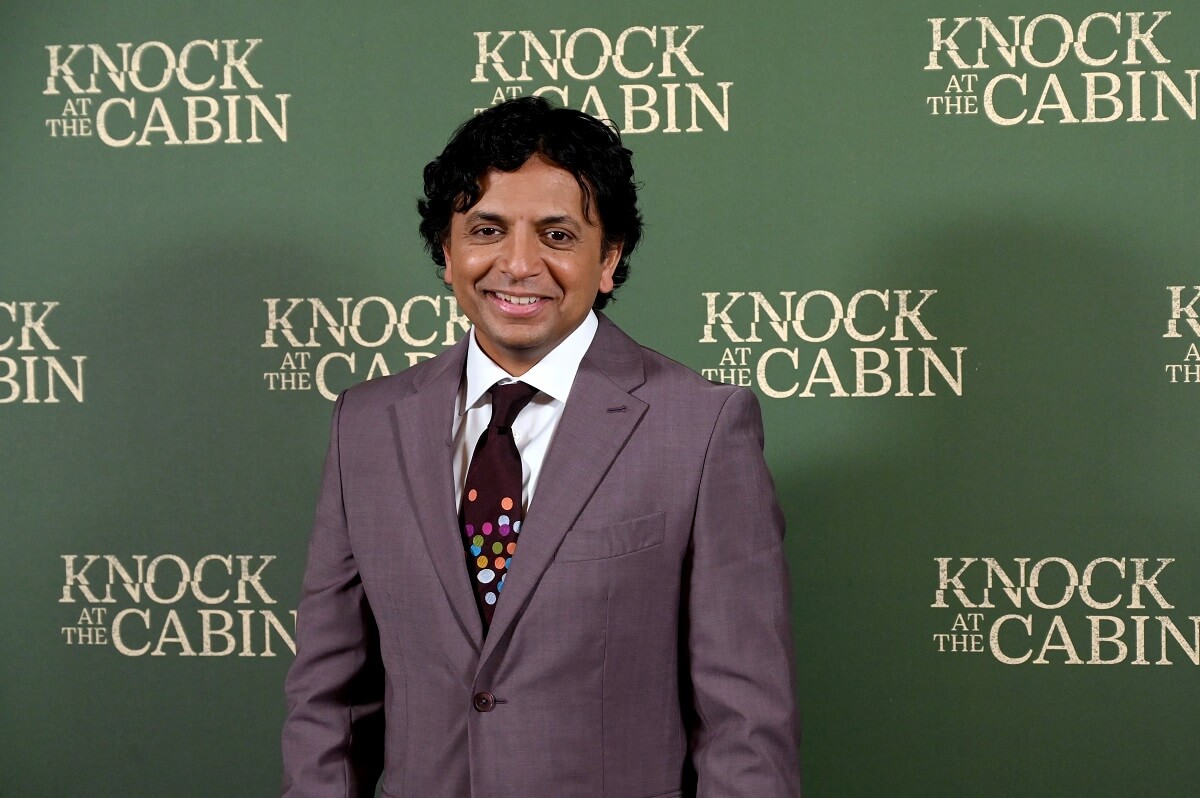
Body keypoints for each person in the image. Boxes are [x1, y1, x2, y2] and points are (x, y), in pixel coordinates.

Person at [281, 96, 801, 797]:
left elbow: (746, 725)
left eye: (556, 236)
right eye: (487, 229)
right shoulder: (366, 425)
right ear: (446, 251)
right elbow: (327, 704)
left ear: (610, 257)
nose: (518, 264)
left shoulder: (702, 428)